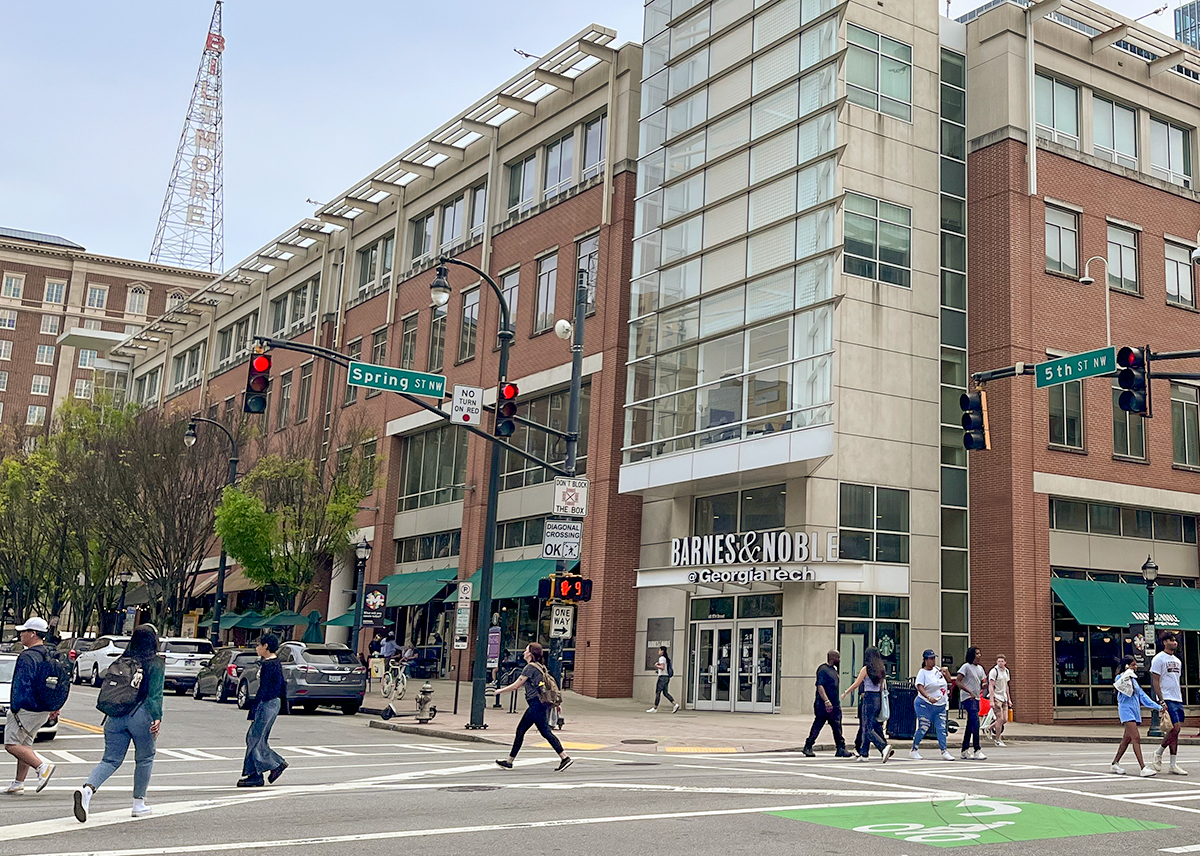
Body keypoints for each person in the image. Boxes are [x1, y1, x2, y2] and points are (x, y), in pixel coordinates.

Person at [73, 624, 164, 822]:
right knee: (145, 758)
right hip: (141, 715)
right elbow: (154, 695)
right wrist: (157, 717)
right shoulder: (155, 663)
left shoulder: (122, 659)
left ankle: (88, 789)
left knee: (110, 759)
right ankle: (138, 804)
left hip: (114, 716)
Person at [493, 642, 573, 772]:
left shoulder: (530, 668)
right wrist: (556, 704)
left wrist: (499, 691)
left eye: (526, 650)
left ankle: (565, 757)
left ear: (530, 654)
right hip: (537, 704)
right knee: (521, 730)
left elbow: (516, 685)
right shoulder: (540, 666)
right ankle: (509, 761)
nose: (523, 653)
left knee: (545, 732)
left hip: (536, 704)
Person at [4, 617, 57, 795]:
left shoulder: (27, 656)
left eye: (24, 631)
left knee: (11, 744)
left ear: (33, 634)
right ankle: (18, 783)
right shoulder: (49, 654)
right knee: (25, 745)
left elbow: (22, 684)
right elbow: (54, 684)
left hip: (26, 708)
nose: (21, 634)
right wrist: (55, 706)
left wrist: (15, 707)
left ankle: (42, 766)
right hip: (43, 708)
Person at [239, 634, 288, 788]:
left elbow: (265, 689)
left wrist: (254, 709)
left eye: (258, 645)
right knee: (255, 738)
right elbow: (281, 686)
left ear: (266, 646)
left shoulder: (269, 665)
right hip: (272, 703)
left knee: (255, 738)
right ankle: (255, 774)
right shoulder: (273, 663)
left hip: (267, 703)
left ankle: (275, 764)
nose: (256, 648)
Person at [841, 646, 895, 763]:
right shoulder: (881, 669)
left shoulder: (866, 669)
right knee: (870, 725)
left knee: (867, 728)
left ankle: (883, 746)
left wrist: (846, 692)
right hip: (878, 698)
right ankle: (864, 753)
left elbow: (857, 683)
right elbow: (883, 686)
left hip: (869, 698)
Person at [1112, 655, 1162, 777]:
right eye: (1133, 665)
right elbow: (1121, 687)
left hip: (1134, 712)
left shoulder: (1134, 681)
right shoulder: (1121, 678)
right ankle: (1143, 767)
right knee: (1136, 738)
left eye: (1136, 665)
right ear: (1126, 666)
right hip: (1125, 711)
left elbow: (1143, 697)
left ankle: (1115, 763)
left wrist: (1159, 706)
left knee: (1126, 740)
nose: (1136, 667)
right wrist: (1126, 674)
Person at [804, 650, 853, 758]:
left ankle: (840, 748)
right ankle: (808, 746)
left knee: (837, 726)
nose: (839, 660)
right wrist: (826, 701)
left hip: (834, 704)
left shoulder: (834, 670)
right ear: (833, 658)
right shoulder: (823, 669)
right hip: (823, 705)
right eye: (838, 657)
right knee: (818, 725)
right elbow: (820, 686)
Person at [1151, 631, 1187, 775]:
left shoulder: (1178, 661)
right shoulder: (1159, 659)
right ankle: (1158, 752)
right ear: (1164, 642)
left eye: (1175, 640)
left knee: (1176, 731)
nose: (1174, 642)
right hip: (1167, 697)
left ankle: (1173, 764)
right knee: (1175, 728)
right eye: (1171, 640)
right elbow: (1155, 680)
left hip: (1177, 697)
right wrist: (1161, 699)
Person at [911, 649, 955, 761]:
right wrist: (928, 697)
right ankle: (914, 749)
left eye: (934, 658)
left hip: (940, 704)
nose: (933, 661)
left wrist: (947, 672)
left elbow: (949, 681)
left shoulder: (937, 670)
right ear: (925, 660)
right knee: (924, 726)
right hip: (925, 704)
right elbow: (919, 686)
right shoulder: (923, 672)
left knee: (941, 728)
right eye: (930, 658)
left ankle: (944, 751)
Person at [956, 647, 987, 760]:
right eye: (977, 653)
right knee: (975, 722)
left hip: (977, 698)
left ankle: (964, 750)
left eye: (979, 653)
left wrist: (984, 686)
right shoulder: (966, 667)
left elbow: (982, 681)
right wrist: (969, 691)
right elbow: (958, 681)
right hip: (968, 698)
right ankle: (977, 749)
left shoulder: (980, 669)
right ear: (972, 655)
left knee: (970, 724)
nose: (979, 655)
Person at [987, 655, 1013, 747]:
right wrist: (991, 700)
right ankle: (998, 739)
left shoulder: (1006, 671)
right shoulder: (994, 671)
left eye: (1002, 661)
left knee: (1005, 719)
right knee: (1000, 719)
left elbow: (1006, 686)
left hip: (1004, 697)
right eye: (999, 661)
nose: (1000, 663)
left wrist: (1009, 699)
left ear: (1005, 662)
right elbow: (991, 686)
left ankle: (990, 727)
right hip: (996, 697)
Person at [647, 646, 679, 713]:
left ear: (662, 651)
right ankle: (675, 704)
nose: (658, 651)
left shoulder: (662, 658)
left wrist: (656, 666)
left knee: (658, 692)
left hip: (662, 677)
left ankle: (655, 708)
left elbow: (662, 667)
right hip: (666, 677)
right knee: (665, 693)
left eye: (659, 650)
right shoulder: (666, 659)